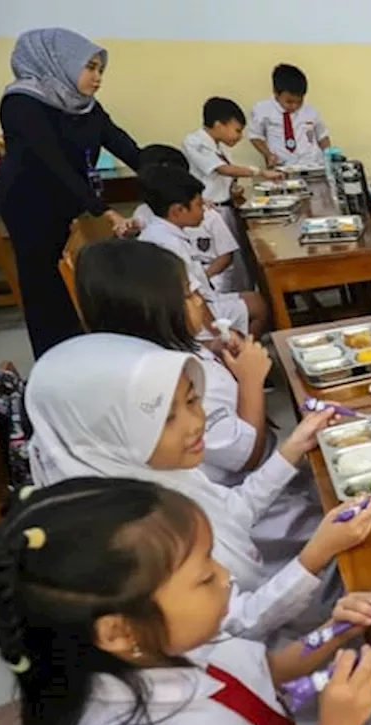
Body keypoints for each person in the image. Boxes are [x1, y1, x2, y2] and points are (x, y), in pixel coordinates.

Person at [0, 477, 371, 725]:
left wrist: (332, 632)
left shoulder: (156, 644)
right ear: (117, 630)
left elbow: (261, 673)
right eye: (204, 576)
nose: (226, 577)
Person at [75, 239, 328, 584]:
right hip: (254, 514)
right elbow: (247, 457)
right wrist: (251, 381)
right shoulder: (168, 391)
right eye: (189, 295)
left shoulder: (168, 353)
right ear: (156, 310)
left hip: (252, 490)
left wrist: (219, 351)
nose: (199, 301)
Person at [24, 332, 345, 594]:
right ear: (106, 440)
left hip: (268, 587)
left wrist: (293, 448)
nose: (196, 423)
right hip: (265, 645)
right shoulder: (136, 542)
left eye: (193, 400)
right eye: (167, 419)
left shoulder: (163, 474)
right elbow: (241, 626)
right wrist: (314, 558)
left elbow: (234, 510)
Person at [0, 28, 141, 358]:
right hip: (28, 203)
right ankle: (53, 361)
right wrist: (102, 209)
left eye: (100, 69)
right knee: (43, 284)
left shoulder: (84, 105)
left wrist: (164, 175)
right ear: (61, 62)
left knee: (73, 278)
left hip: (66, 201)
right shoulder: (21, 102)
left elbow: (120, 141)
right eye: (90, 67)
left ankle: (81, 351)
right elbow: (52, 162)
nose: (97, 77)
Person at [138, 165, 269, 338]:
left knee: (254, 299)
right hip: (187, 315)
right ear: (178, 210)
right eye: (199, 205)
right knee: (259, 307)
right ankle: (236, 356)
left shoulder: (156, 231)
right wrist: (218, 332)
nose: (203, 210)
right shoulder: (169, 244)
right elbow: (193, 296)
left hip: (198, 302)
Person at [132, 145, 247, 294]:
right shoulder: (148, 221)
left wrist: (203, 278)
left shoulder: (206, 211)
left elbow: (225, 257)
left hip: (209, 276)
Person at [184, 96, 284, 207]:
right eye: (238, 131)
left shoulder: (221, 146)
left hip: (227, 204)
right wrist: (261, 172)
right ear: (219, 126)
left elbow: (227, 175)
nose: (240, 137)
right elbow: (224, 169)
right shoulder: (194, 142)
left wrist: (232, 188)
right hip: (208, 207)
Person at [249, 64, 331, 168]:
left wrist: (329, 156)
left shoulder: (311, 111)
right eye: (289, 101)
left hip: (313, 164)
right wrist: (268, 155)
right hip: (283, 166)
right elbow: (255, 136)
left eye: (299, 101)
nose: (294, 106)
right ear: (276, 93)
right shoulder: (262, 110)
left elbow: (322, 136)